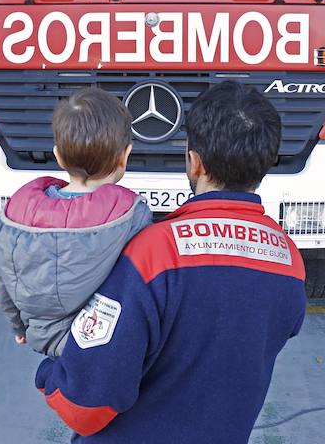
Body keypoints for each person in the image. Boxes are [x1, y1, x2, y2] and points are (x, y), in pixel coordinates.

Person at [35, 81, 307, 442]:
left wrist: (48, 372)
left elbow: (84, 405)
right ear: (264, 164)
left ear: (194, 162)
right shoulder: (288, 260)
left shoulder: (152, 254)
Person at [0, 88, 152, 356]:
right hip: (105, 345)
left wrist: (19, 327)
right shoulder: (131, 215)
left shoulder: (13, 213)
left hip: (41, 338)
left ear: (58, 156)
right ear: (125, 156)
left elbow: (0, 270)